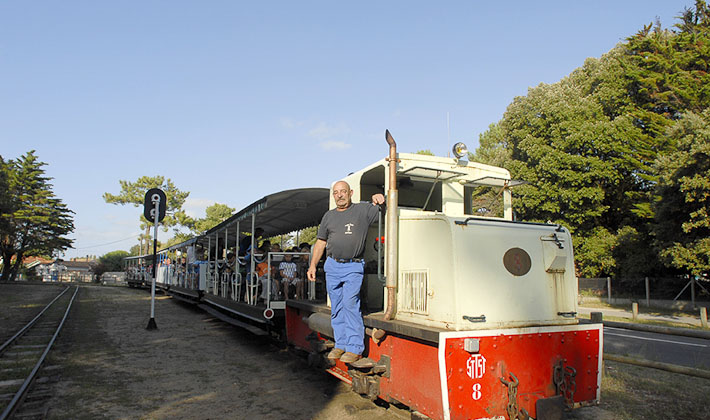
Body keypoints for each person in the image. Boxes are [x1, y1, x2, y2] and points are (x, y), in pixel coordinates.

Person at [307, 180, 385, 364]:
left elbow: (383, 208)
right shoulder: (328, 216)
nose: (340, 195)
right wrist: (312, 265)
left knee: (350, 304)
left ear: (351, 192)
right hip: (332, 265)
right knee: (337, 307)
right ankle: (340, 344)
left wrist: (381, 198)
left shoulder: (363, 210)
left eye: (343, 191)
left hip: (353, 266)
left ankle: (354, 348)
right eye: (336, 193)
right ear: (333, 196)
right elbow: (320, 243)